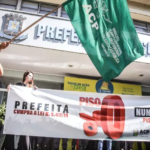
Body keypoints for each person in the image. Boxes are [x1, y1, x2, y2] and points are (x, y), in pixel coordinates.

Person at [2, 71, 37, 150]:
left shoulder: (31, 88)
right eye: (30, 75)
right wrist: (9, 89)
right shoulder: (18, 85)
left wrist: (36, 91)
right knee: (11, 133)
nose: (31, 77)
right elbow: (13, 95)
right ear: (25, 76)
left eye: (32, 76)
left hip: (26, 115)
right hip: (17, 114)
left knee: (25, 136)